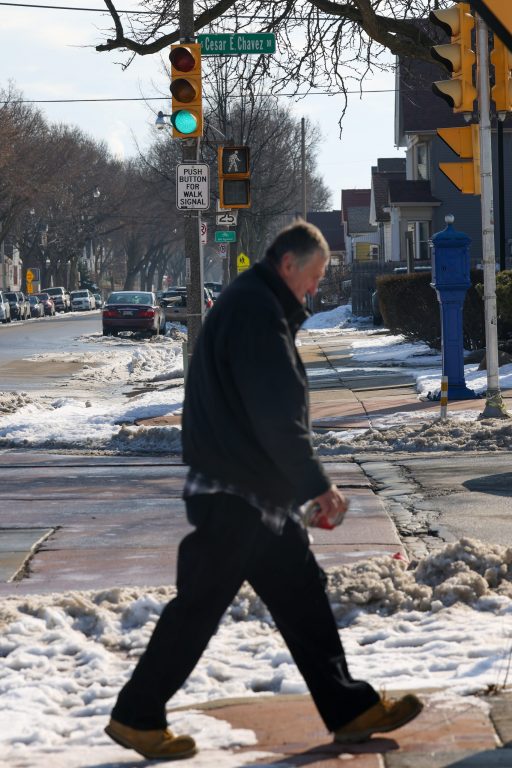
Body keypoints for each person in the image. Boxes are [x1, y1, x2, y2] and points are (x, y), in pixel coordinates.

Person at [105, 220, 422, 760]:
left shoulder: (251, 304)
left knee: (301, 599)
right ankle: (136, 715)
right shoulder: (257, 313)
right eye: (314, 278)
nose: (314, 290)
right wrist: (317, 486)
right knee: (200, 609)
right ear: (288, 265)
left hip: (250, 496)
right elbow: (276, 415)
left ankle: (350, 710)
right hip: (239, 497)